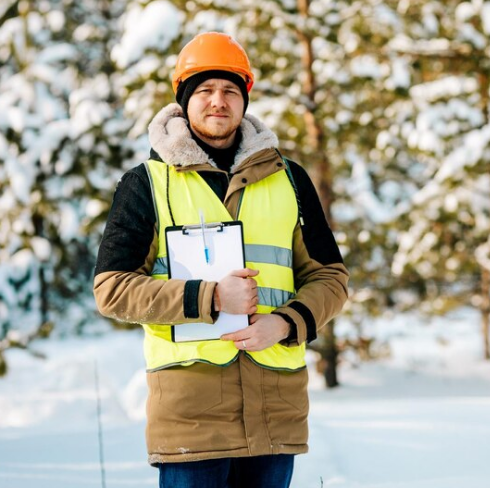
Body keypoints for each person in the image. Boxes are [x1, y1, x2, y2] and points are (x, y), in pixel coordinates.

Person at [93, 32, 349, 488]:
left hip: (275, 415)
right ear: (184, 100)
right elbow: (112, 289)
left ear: (244, 100)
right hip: (190, 418)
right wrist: (209, 297)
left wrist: (286, 324)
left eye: (231, 90)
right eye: (205, 90)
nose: (218, 101)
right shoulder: (146, 183)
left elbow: (330, 277)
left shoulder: (290, 180)